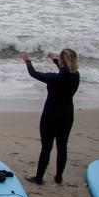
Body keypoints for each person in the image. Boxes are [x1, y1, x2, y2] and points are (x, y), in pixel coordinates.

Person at [21, 49, 80, 184]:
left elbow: (34, 73)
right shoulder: (76, 75)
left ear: (63, 61)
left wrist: (27, 60)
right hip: (67, 115)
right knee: (62, 146)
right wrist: (54, 59)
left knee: (46, 147)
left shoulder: (56, 78)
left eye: (60, 58)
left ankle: (39, 177)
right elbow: (64, 70)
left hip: (51, 115)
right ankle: (59, 177)